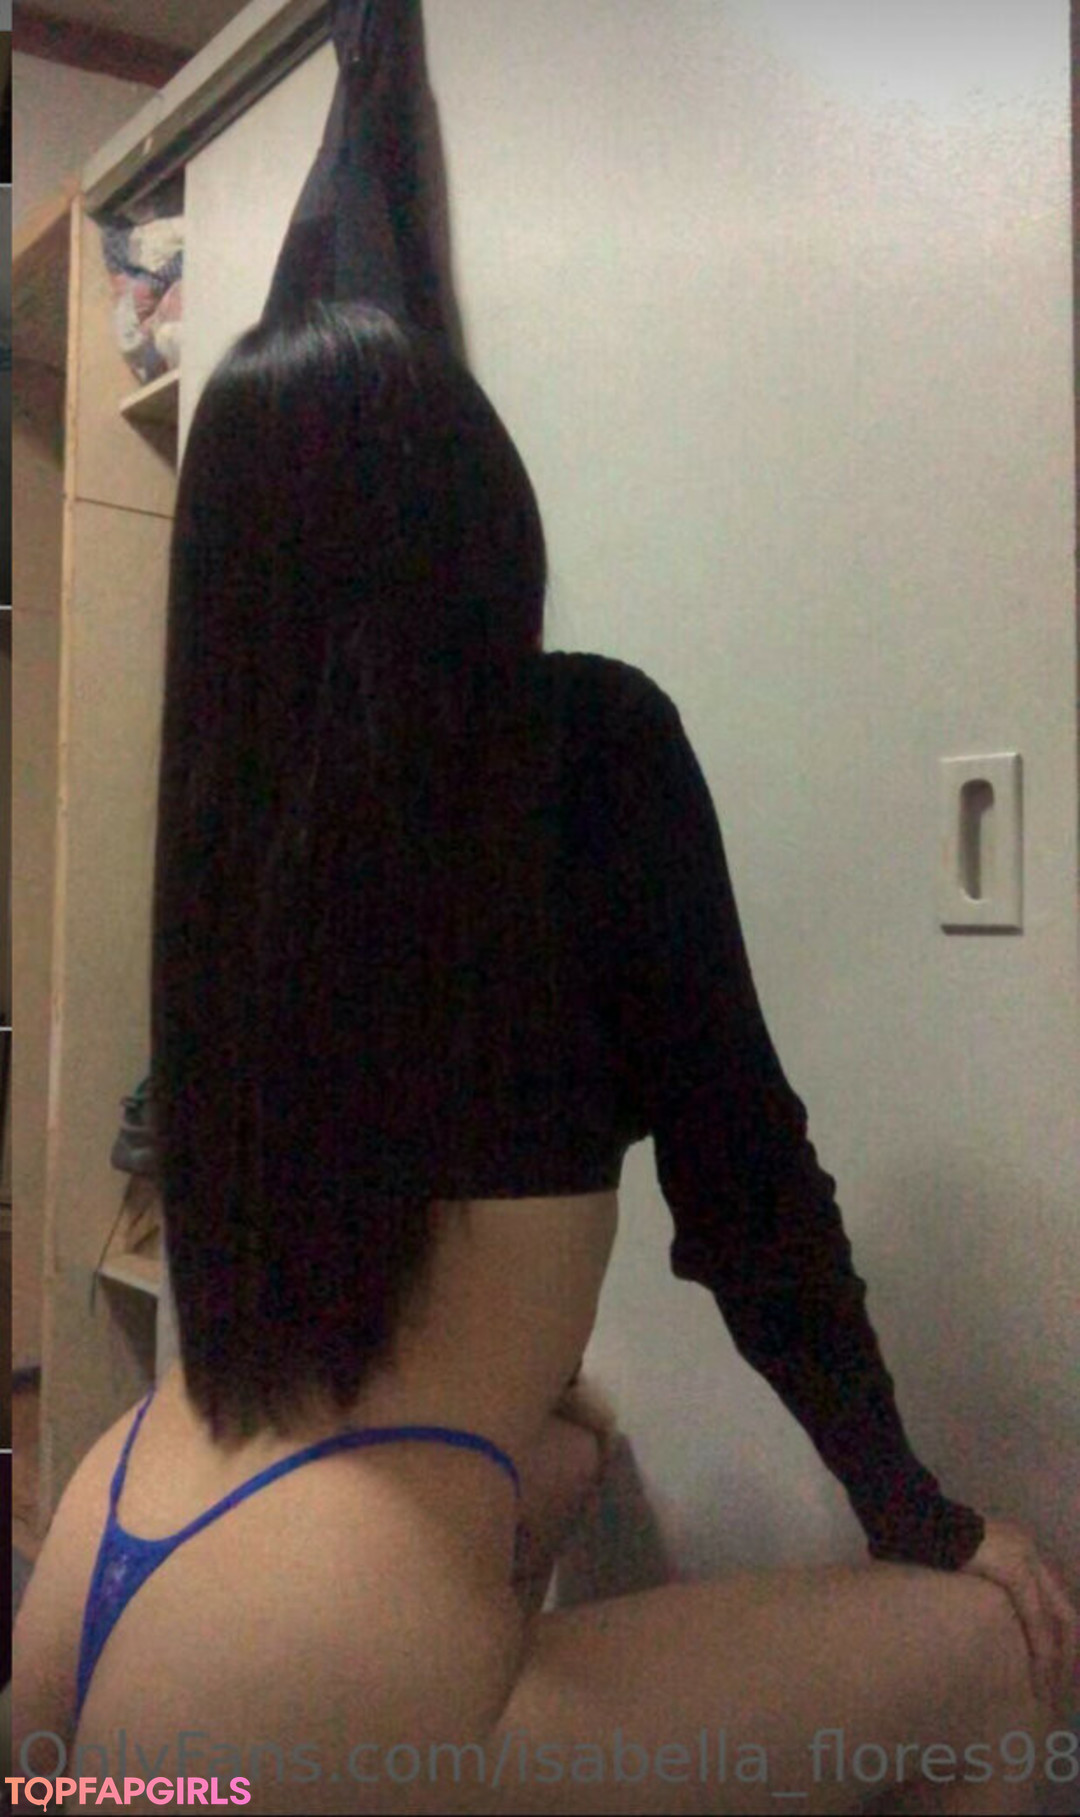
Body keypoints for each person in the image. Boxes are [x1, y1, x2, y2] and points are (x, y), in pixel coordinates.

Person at [13, 303, 1075, 1817]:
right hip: (314, 1692)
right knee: (996, 1657)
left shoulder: (234, 849)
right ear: (482, 516)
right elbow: (750, 1194)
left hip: (103, 1576)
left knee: (566, 1451)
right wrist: (921, 1514)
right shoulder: (593, 743)